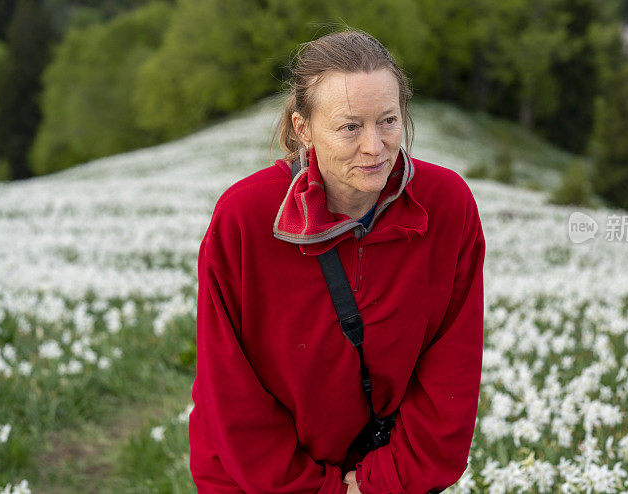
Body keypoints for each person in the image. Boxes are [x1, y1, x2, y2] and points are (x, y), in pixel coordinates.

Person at [188, 28, 485, 493]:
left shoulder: (447, 206)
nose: (375, 146)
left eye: (388, 120)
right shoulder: (244, 218)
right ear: (303, 128)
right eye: (350, 126)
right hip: (258, 479)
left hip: (388, 475)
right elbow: (229, 392)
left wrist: (380, 483)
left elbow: (452, 370)